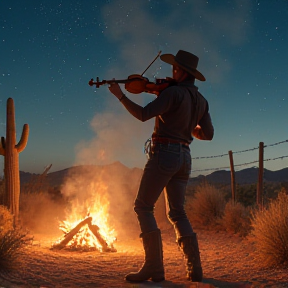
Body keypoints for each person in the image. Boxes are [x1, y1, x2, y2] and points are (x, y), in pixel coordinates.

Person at [108, 50, 214, 283]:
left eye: (174, 68)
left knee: (143, 206)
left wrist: (120, 96)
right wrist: (188, 129)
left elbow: (144, 114)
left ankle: (154, 268)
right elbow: (208, 134)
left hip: (164, 153)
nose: (171, 71)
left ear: (181, 71)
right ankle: (194, 271)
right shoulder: (201, 100)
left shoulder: (173, 92)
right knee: (177, 212)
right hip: (185, 156)